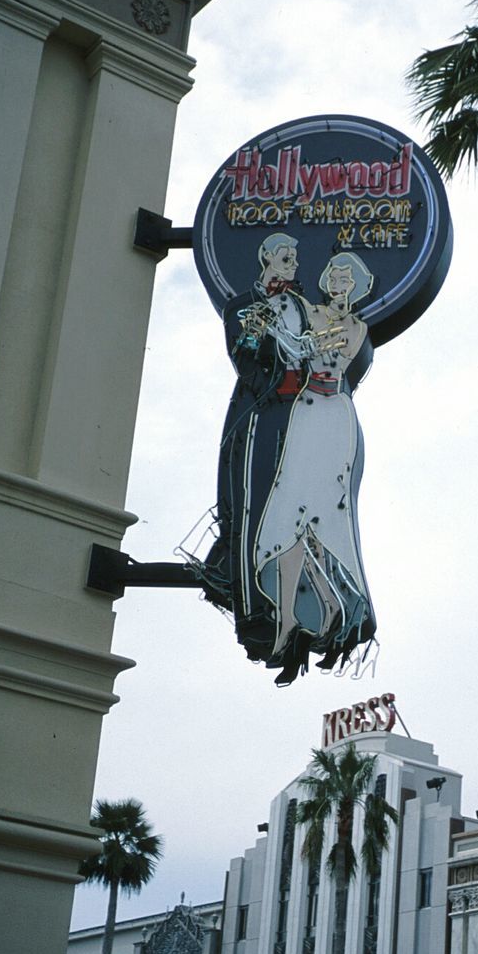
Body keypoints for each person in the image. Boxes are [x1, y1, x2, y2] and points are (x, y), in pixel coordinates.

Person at [254, 250, 376, 683]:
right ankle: (290, 617)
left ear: (358, 285)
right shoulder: (309, 310)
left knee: (323, 517)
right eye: (335, 275)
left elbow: (336, 354)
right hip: (306, 408)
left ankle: (325, 610)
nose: (340, 282)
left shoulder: (358, 327)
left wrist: (306, 340)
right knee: (291, 511)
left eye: (348, 277)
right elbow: (286, 323)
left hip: (335, 414)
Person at [197, 233, 311, 663]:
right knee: (252, 510)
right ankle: (251, 609)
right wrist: (265, 329)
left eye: (296, 256)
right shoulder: (242, 306)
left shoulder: (300, 306)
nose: (294, 263)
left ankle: (283, 606)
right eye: (287, 256)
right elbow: (245, 360)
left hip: (297, 417)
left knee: (292, 512)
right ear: (266, 259)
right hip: (259, 414)